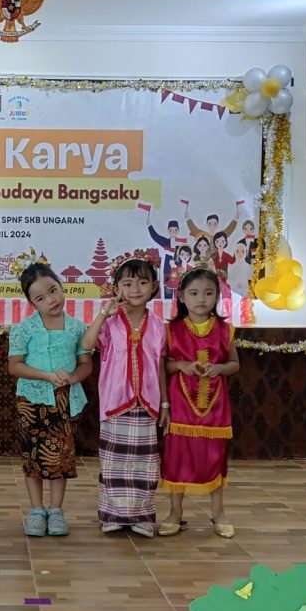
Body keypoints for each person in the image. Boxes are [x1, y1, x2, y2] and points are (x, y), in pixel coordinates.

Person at [81, 252, 168, 538]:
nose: (135, 290)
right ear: (117, 288)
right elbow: (87, 344)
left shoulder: (159, 326)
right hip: (115, 401)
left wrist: (165, 403)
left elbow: (160, 365)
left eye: (142, 283)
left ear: (154, 287)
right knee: (114, 461)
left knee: (145, 463)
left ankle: (142, 516)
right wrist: (104, 313)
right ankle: (112, 515)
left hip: (147, 403)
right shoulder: (110, 322)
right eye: (127, 284)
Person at [8, 260, 93, 537]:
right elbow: (14, 366)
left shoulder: (77, 328)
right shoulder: (24, 329)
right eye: (40, 298)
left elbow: (86, 364)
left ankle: (56, 510)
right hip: (31, 401)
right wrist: (46, 376)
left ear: (61, 286)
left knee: (61, 457)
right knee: (33, 456)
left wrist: (73, 377)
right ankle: (36, 510)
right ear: (32, 303)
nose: (50, 300)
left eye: (53, 290)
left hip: (66, 401)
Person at [158, 267, 240, 539]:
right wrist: (181, 365)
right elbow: (163, 366)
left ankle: (218, 512)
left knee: (215, 457)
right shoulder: (171, 330)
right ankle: (175, 512)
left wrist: (220, 369)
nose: (201, 299)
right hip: (181, 404)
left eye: (208, 293)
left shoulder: (225, 330)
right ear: (182, 297)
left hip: (215, 406)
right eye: (193, 293)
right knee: (177, 457)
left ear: (217, 296)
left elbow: (235, 364)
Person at [145, 212, 188, 296]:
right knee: (167, 291)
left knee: (178, 292)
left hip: (178, 271)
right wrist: (149, 225)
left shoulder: (180, 244)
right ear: (168, 231)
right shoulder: (165, 242)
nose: (173, 232)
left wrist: (179, 267)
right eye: (171, 230)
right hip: (167, 270)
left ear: (178, 230)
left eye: (175, 230)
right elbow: (155, 237)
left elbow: (184, 257)